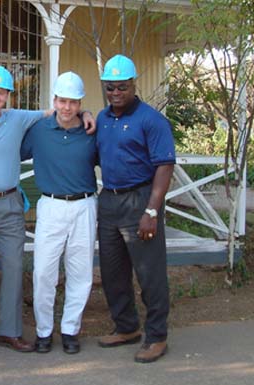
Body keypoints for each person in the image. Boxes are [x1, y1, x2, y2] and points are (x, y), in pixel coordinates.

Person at [0, 66, 96, 353]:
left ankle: (12, 331)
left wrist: (87, 113)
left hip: (12, 203)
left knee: (16, 268)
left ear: (8, 96)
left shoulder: (20, 118)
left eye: (1, 92)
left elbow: (58, 112)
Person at [95, 54, 175, 363]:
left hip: (140, 200)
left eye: (122, 87)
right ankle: (127, 327)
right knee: (113, 272)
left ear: (133, 84)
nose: (115, 93)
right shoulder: (102, 118)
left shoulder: (151, 119)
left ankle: (157, 336)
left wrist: (152, 211)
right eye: (110, 87)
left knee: (149, 272)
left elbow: (164, 166)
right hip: (110, 200)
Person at [20, 72, 97, 354]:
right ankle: (43, 331)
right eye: (62, 101)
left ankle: (70, 329)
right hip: (51, 205)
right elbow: (12, 151)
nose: (67, 108)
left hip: (84, 205)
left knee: (80, 272)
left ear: (80, 104)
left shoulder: (91, 131)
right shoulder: (39, 130)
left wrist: (91, 115)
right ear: (54, 100)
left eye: (74, 102)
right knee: (43, 272)